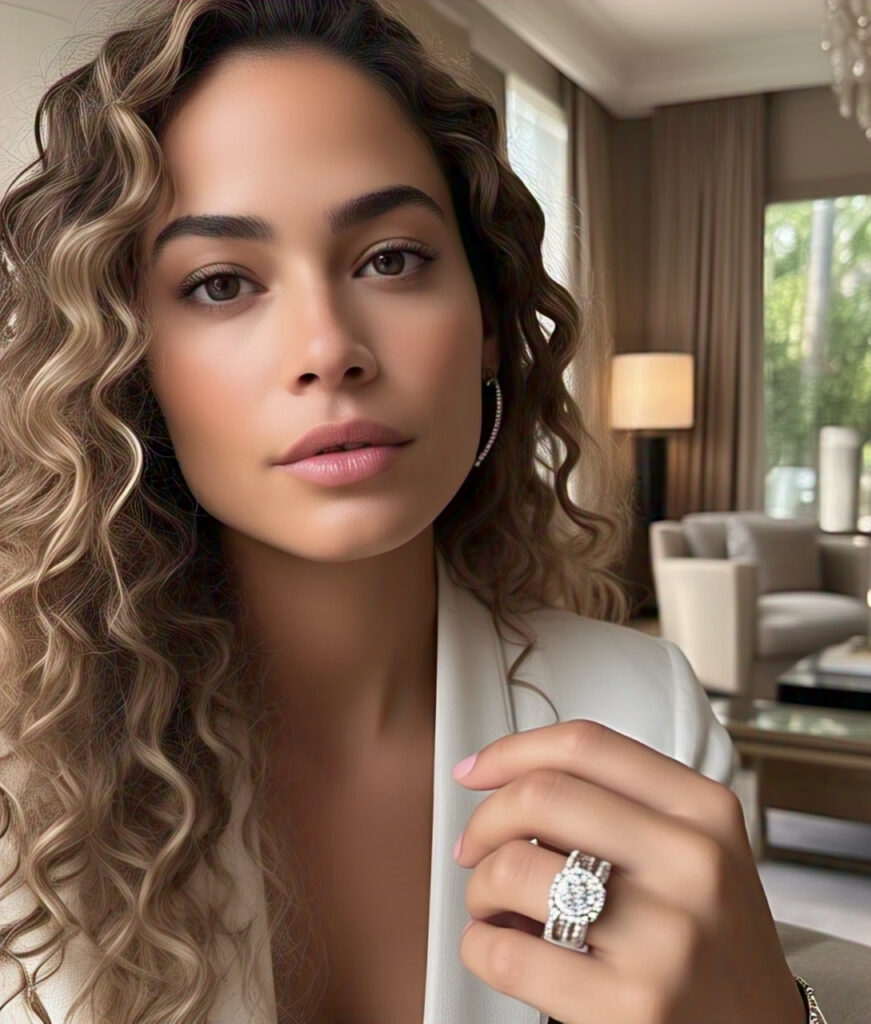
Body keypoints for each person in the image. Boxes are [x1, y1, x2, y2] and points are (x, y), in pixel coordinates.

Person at [0, 2, 819, 1022]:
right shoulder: (21, 771)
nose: (329, 345)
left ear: (486, 321)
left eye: (390, 258)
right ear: (131, 366)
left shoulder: (639, 710)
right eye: (219, 283)